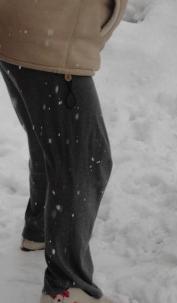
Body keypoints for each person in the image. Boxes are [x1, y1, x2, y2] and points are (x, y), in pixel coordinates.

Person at [0, 0, 128, 302]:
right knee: (85, 158)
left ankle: (40, 229)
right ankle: (66, 285)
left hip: (25, 30)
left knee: (51, 141)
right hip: (51, 37)